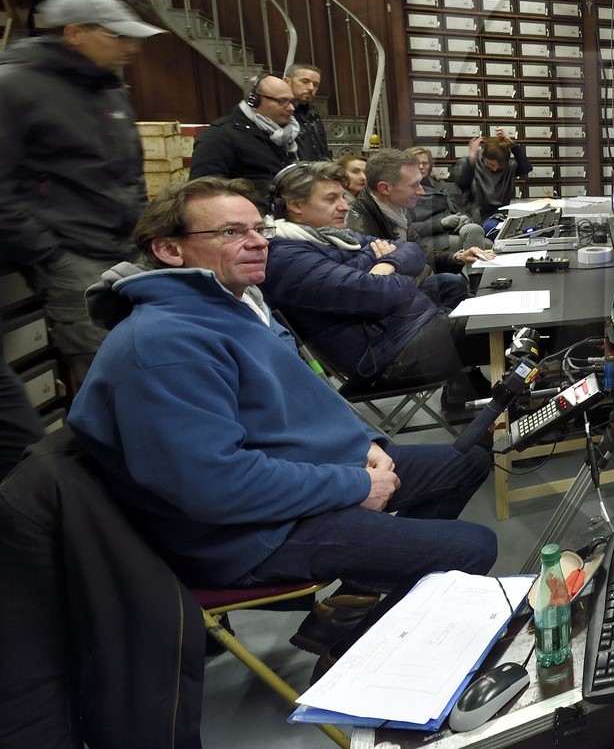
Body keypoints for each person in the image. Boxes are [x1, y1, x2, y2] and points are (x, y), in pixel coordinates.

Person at [65, 176, 494, 669]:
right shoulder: (164, 345)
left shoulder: (231, 305)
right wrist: (352, 484)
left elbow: (306, 398)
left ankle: (354, 602)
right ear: (169, 250)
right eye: (230, 232)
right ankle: (352, 662)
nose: (257, 242)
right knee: (471, 546)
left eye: (258, 228)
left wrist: (363, 443)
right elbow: (213, 487)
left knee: (465, 462)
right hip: (243, 534)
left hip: (284, 480)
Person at [0, 0, 159, 389]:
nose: (132, 47)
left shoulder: (106, 87)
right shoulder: (14, 86)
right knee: (109, 373)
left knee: (146, 355)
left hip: (123, 246)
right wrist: (48, 253)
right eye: (118, 36)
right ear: (74, 33)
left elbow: (128, 171)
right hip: (70, 254)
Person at [263, 162, 489, 421]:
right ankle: (504, 434)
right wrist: (393, 273)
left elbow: (412, 252)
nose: (345, 206)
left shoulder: (331, 236)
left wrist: (386, 265)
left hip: (407, 331)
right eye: (331, 199)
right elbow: (384, 293)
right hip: (389, 358)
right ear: (295, 205)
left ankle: (477, 400)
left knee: (495, 314)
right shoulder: (287, 258)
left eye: (342, 197)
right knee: (508, 326)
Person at [349, 148, 494, 274]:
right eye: (414, 185)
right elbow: (381, 283)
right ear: (385, 188)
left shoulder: (396, 212)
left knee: (452, 283)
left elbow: (422, 253)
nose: (421, 191)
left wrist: (457, 257)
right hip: (401, 296)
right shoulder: (360, 228)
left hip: (410, 287)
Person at [190, 73, 301, 209]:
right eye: (282, 101)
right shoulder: (219, 135)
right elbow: (204, 192)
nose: (291, 108)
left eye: (292, 102)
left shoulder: (290, 133)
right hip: (251, 220)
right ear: (253, 101)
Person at [406, 145, 492, 257]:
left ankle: (472, 273)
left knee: (474, 228)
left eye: (425, 163)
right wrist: (441, 224)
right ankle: (475, 274)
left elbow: (457, 209)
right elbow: (407, 229)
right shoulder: (404, 191)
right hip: (428, 238)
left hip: (451, 231)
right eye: (417, 163)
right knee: (486, 244)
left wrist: (465, 218)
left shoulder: (440, 186)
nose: (421, 166)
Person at [451, 128, 529, 223]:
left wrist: (512, 145)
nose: (495, 169)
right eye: (491, 164)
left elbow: (526, 168)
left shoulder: (508, 167)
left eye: (499, 166)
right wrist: (472, 158)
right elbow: (462, 183)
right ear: (484, 156)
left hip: (504, 213)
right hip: (478, 214)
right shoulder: (470, 164)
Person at [286, 61, 331, 160]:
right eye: (305, 82)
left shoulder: (313, 114)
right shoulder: (280, 112)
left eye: (315, 85)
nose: (311, 88)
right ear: (287, 81)